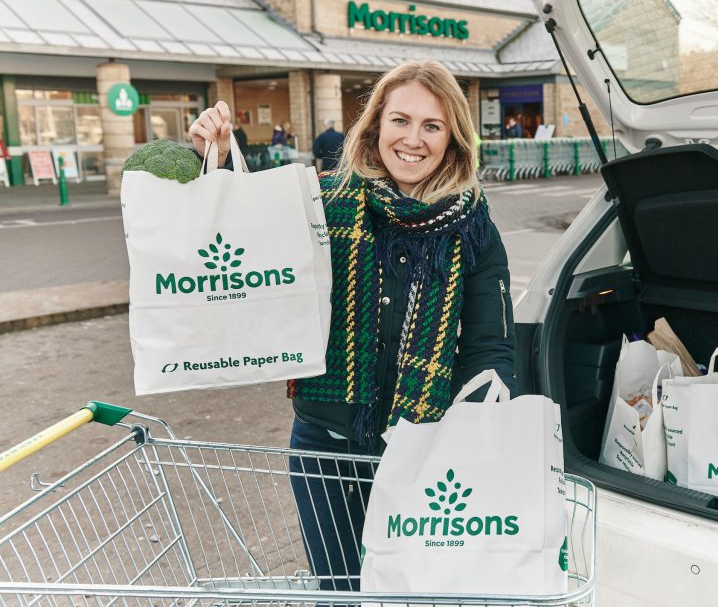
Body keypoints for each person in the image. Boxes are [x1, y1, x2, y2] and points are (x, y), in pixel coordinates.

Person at [188, 60, 517, 592]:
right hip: (326, 443)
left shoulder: (472, 224)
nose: (413, 139)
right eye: (400, 121)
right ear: (375, 125)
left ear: (453, 137)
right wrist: (215, 161)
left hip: (425, 450)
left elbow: (491, 345)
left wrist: (482, 427)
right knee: (340, 591)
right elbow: (244, 232)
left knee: (412, 592)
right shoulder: (322, 198)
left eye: (432, 126)